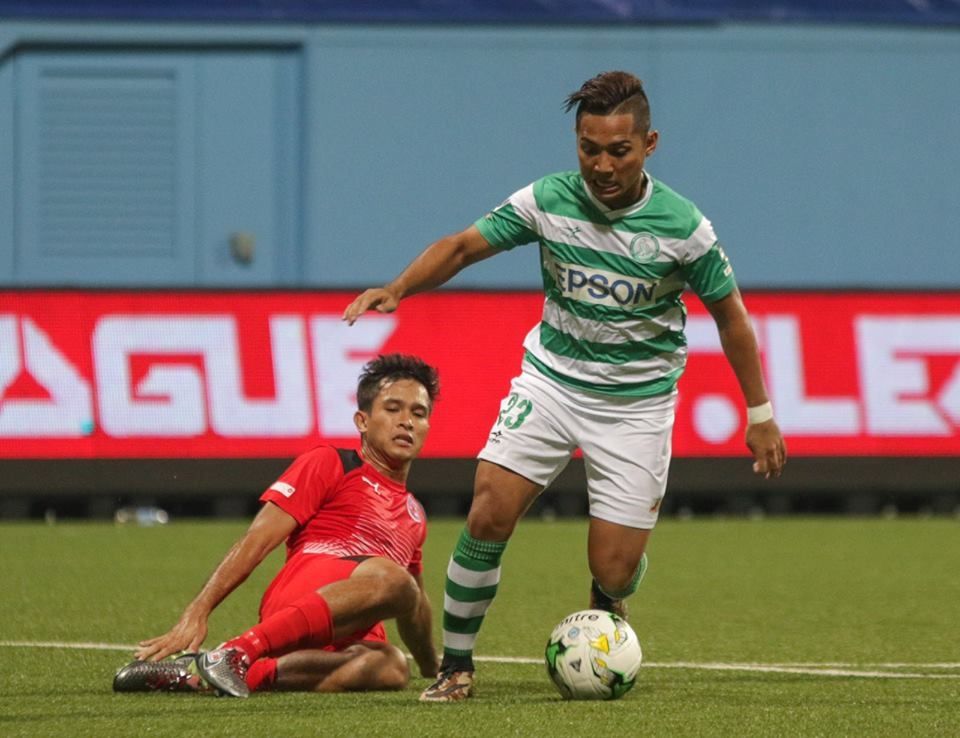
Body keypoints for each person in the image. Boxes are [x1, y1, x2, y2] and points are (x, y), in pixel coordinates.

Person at [342, 71, 787, 702]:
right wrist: (399, 287)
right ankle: (457, 667)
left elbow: (731, 317)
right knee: (488, 507)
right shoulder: (548, 200)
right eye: (589, 148)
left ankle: (612, 593)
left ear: (650, 144)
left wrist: (761, 412)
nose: (602, 165)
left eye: (618, 151)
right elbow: (465, 246)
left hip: (636, 406)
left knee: (612, 566)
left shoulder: (684, 227)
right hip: (551, 382)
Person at [113, 354, 441, 697]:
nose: (406, 422)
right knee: (397, 583)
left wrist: (433, 667)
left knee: (391, 666)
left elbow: (414, 605)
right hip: (303, 594)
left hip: (351, 634)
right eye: (392, 409)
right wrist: (198, 611)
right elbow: (258, 539)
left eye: (418, 413)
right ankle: (239, 649)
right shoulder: (331, 463)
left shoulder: (415, 514)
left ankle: (206, 674)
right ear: (362, 420)